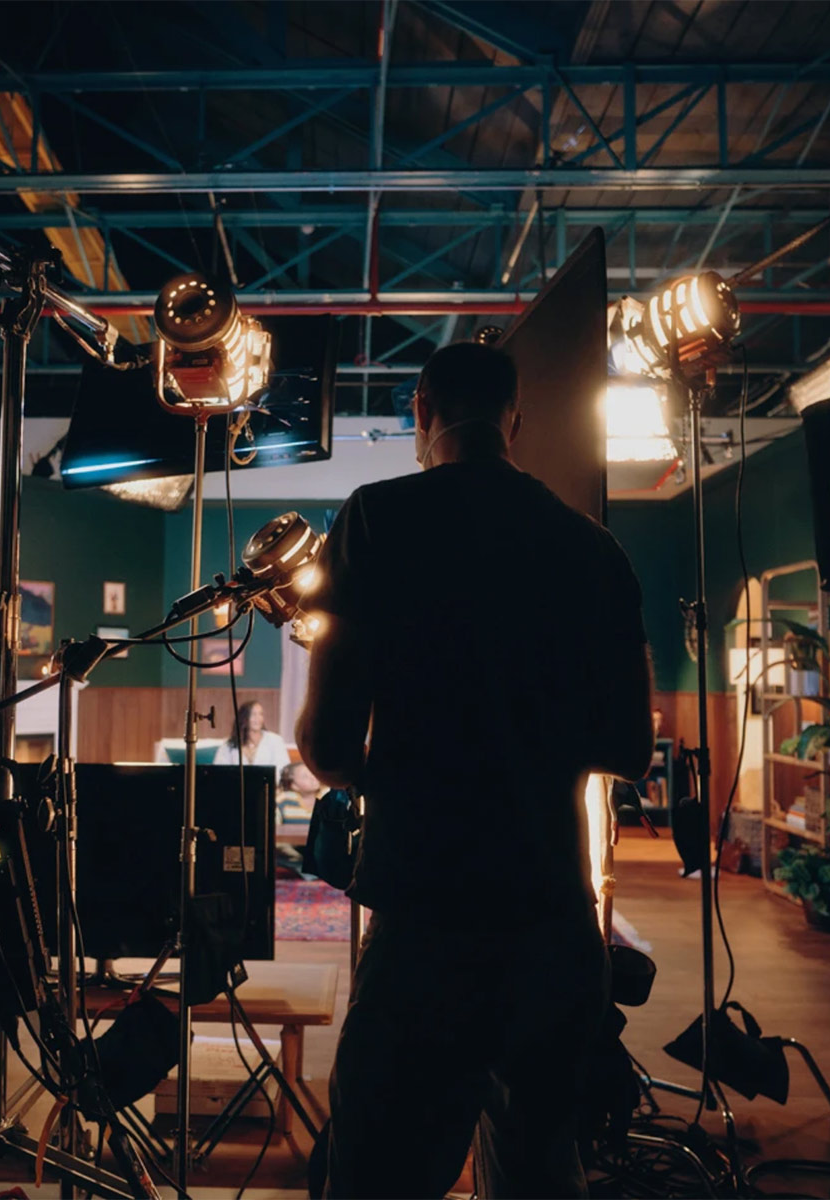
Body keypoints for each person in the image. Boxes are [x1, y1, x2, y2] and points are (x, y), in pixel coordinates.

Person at [295, 340, 653, 1198]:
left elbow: (329, 749)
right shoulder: (593, 548)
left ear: (422, 414)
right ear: (515, 424)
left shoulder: (376, 519)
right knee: (536, 1176)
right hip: (554, 932)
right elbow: (630, 749)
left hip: (429, 925)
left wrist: (401, 759)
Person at [211, 699, 291, 768]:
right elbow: (220, 769)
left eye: (261, 714)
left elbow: (283, 769)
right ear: (244, 718)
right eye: (253, 714)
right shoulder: (229, 745)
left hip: (267, 785)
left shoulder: (276, 741)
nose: (258, 718)